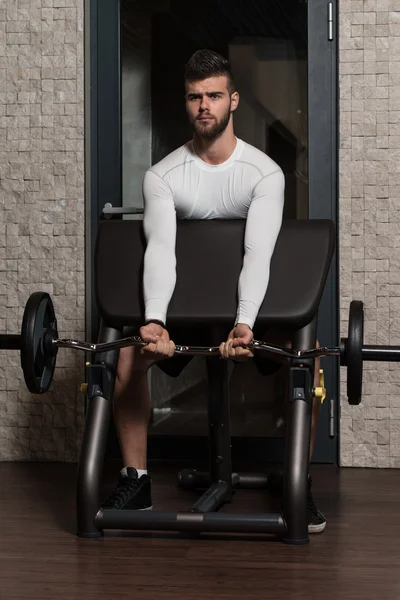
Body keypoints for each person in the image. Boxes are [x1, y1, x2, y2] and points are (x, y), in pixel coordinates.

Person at [102, 49, 326, 533]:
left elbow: (258, 253)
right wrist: (156, 319)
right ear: (186, 103)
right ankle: (136, 481)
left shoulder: (263, 173)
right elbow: (160, 248)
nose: (205, 105)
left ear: (233, 101)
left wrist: (245, 322)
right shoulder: (162, 176)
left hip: (250, 308)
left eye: (214, 96)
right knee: (126, 358)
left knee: (307, 362)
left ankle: (296, 483)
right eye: (195, 97)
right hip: (187, 308)